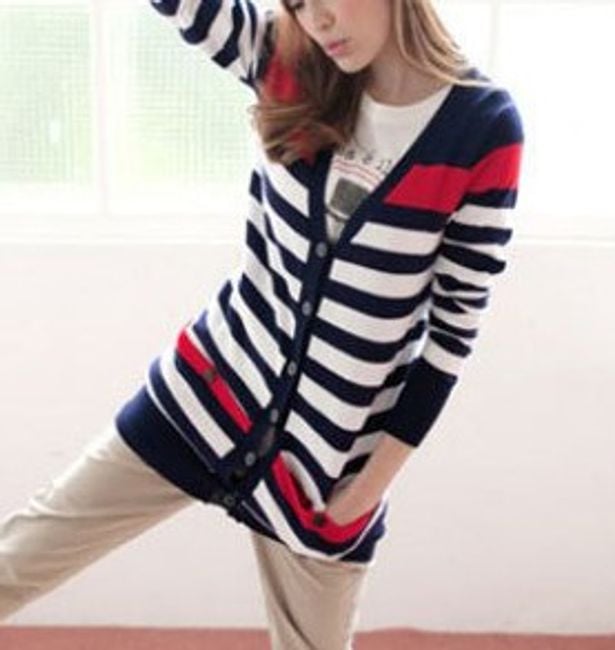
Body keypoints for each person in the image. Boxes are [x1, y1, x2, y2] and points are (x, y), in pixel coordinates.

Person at [0, 0, 525, 647]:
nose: (316, 21)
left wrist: (364, 492)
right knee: (16, 559)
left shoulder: (482, 128)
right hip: (205, 395)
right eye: (298, 4)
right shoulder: (283, 55)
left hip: (326, 466)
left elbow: (450, 336)